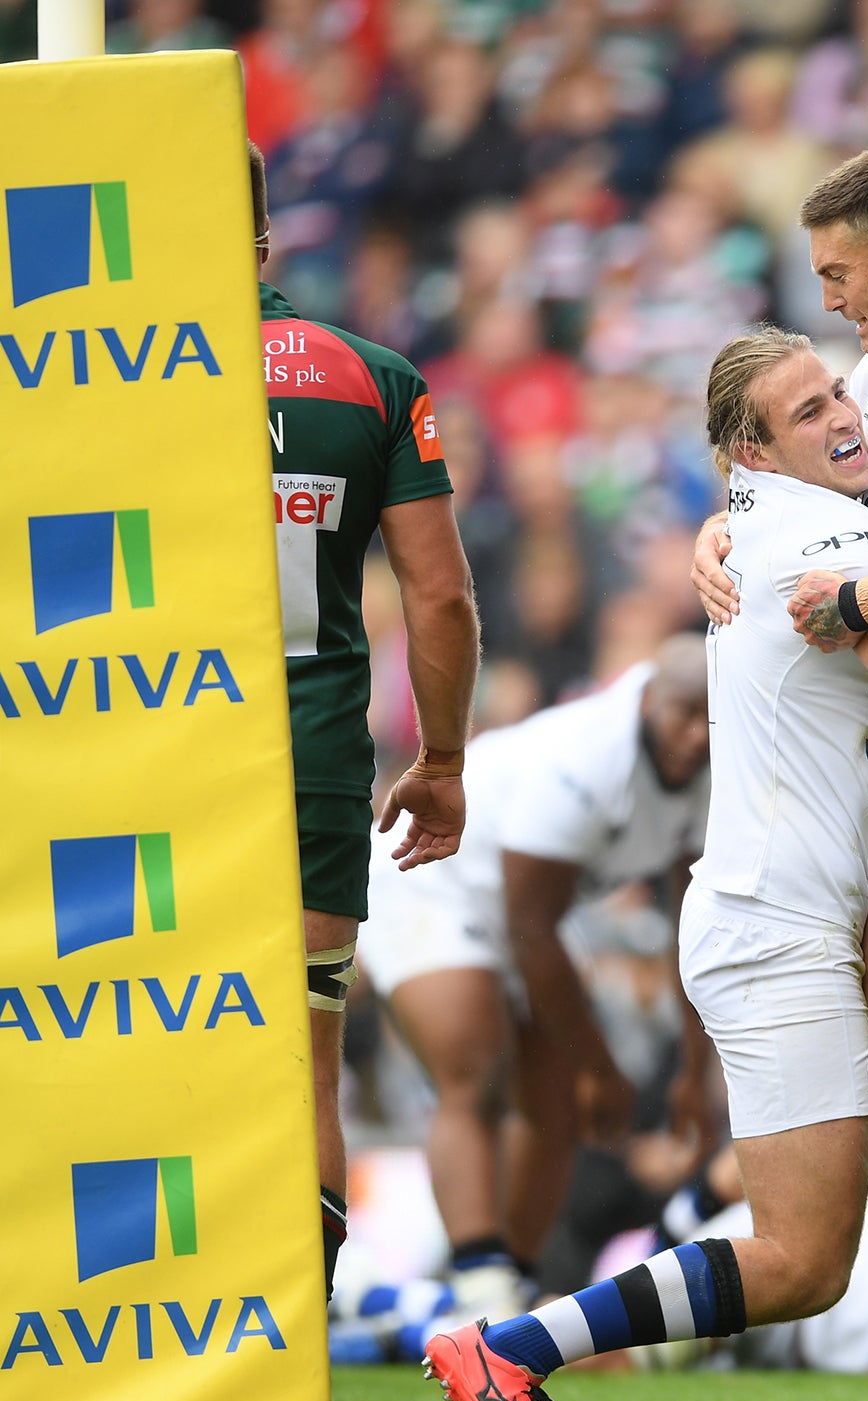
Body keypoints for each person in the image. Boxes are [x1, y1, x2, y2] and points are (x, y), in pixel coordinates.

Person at [425, 326, 868, 1401]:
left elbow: (853, 500)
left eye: (837, 390)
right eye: (808, 414)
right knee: (803, 1262)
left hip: (814, 915)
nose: (844, 416)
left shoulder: (785, 518)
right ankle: (508, 1347)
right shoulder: (816, 539)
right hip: (773, 927)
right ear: (753, 452)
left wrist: (721, 516)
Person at [255, 142, 479, 1303]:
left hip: (127, 766)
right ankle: (289, 1374)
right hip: (311, 764)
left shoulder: (86, 377)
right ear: (264, 236)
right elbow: (437, 593)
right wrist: (440, 760)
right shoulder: (369, 376)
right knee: (304, 1060)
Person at [354, 640, 715, 1320]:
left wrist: (693, 1073)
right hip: (434, 880)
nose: (694, 737)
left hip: (532, 910)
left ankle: (507, 1292)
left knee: (554, 1105)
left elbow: (692, 927)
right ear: (647, 700)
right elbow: (531, 933)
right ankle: (478, 1275)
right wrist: (602, 1068)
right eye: (682, 716)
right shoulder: (583, 759)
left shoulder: (714, 764)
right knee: (478, 1069)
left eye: (709, 721)